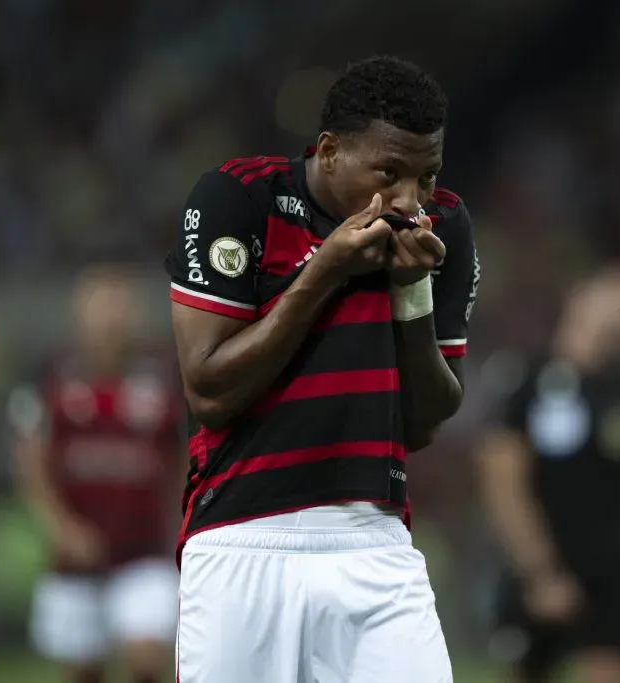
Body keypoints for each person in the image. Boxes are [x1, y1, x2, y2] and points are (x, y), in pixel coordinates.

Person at [165, 56, 479, 683]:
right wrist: (327, 269)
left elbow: (424, 422)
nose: (409, 199)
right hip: (241, 533)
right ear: (331, 150)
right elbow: (210, 391)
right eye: (389, 173)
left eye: (426, 176)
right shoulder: (241, 197)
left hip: (373, 539)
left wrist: (411, 293)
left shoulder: (444, 226)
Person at [477, 265, 620, 683]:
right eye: (616, 300)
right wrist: (541, 572)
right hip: (539, 571)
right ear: (579, 296)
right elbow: (502, 484)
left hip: (612, 576)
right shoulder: (525, 381)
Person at [7, 261, 184, 683]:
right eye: (101, 301)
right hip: (75, 562)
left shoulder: (165, 373)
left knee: (146, 659)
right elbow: (31, 460)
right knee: (84, 672)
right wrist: (62, 527)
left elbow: (182, 455)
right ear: (80, 307)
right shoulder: (50, 372)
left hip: (145, 553)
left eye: (120, 302)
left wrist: (180, 521)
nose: (111, 315)